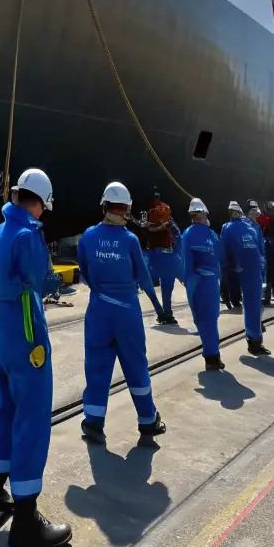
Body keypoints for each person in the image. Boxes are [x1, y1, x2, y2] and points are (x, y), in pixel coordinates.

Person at [0, 168, 71, 547]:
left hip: (1, 325)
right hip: (26, 328)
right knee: (32, 416)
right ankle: (26, 520)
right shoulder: (27, 235)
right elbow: (41, 278)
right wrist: (60, 281)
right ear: (40, 202)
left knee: (4, 407)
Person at [76, 182, 166, 445]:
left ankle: (93, 423)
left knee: (96, 368)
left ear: (104, 205)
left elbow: (85, 271)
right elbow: (145, 278)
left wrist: (101, 291)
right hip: (127, 312)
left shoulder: (88, 236)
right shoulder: (130, 239)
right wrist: (160, 308)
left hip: (99, 310)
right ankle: (148, 423)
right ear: (127, 208)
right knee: (136, 367)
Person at [221, 202, 270, 355]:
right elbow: (224, 249)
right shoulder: (232, 228)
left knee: (253, 305)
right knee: (252, 305)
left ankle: (254, 338)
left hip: (249, 269)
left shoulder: (250, 228)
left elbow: (260, 250)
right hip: (247, 270)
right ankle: (254, 340)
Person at [182, 199, 225, 370]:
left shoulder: (187, 234)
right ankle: (213, 354)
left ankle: (211, 356)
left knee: (201, 318)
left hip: (198, 282)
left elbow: (187, 263)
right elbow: (219, 258)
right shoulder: (212, 234)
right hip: (212, 281)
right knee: (211, 319)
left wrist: (189, 284)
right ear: (204, 215)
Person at [145, 191, 179, 324]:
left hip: (153, 254)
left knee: (149, 284)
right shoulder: (164, 211)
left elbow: (148, 231)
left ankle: (162, 312)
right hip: (165, 254)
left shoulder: (149, 214)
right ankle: (166, 312)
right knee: (167, 286)